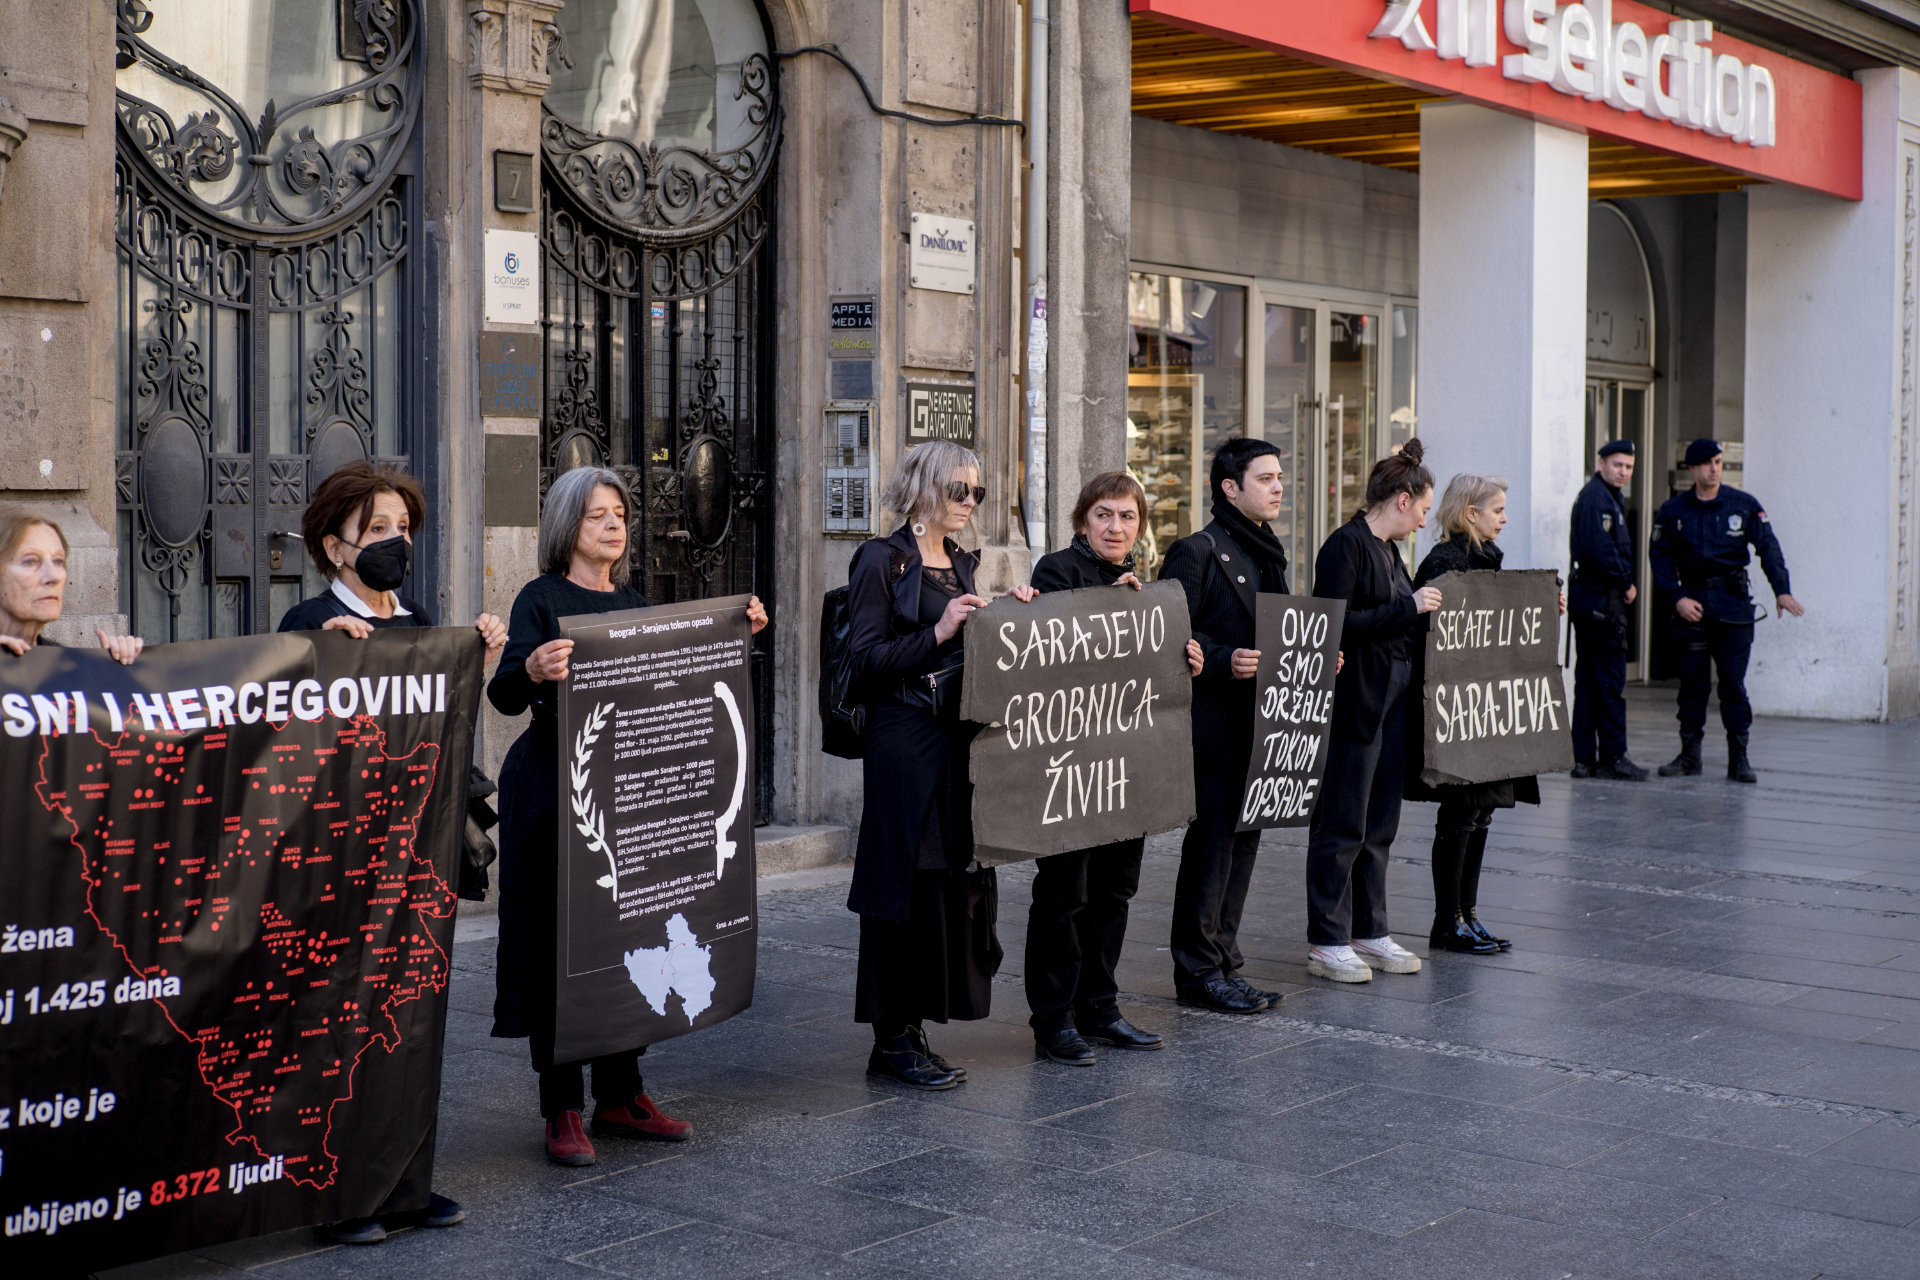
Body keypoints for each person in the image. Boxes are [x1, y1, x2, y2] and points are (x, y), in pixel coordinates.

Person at [489, 466, 768, 1163]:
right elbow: (502, 694)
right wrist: (532, 670)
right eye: (596, 516)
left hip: (632, 798)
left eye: (619, 513)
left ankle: (622, 1093)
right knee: (564, 947)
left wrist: (740, 629)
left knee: (631, 934)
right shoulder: (540, 599)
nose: (613, 525)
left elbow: (685, 682)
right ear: (566, 528)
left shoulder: (638, 601)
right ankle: (561, 1108)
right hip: (556, 793)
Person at [274, 461, 502, 1243]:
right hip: (337, 870)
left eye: (403, 529)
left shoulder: (419, 621)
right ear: (335, 547)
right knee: (337, 1028)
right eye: (377, 531)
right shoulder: (306, 622)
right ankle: (334, 1196)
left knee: (407, 1026)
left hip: (413, 866)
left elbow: (440, 741)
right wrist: (319, 660)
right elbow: (277, 746)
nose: (395, 544)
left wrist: (478, 662)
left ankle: (406, 1184)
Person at [846, 440, 1036, 1088]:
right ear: (923, 487)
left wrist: (1005, 615)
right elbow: (864, 659)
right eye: (959, 489)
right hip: (902, 737)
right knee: (900, 879)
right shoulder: (882, 559)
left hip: (952, 739)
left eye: (978, 491)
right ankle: (888, 1036)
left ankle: (913, 1028)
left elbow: (967, 646)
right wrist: (940, 631)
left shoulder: (959, 560)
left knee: (941, 882)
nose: (969, 502)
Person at [1022, 472, 1203, 1065]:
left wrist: (1184, 656)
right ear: (1083, 521)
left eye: (1127, 517)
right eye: (1104, 515)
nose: (1115, 527)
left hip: (1125, 769)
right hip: (1073, 769)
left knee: (1115, 890)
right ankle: (1054, 1017)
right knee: (1064, 891)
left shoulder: (1141, 589)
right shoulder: (1056, 571)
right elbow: (1051, 658)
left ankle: (1099, 1005)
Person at [1159, 438, 1293, 1014]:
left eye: (1280, 476)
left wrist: (1313, 652)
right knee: (1213, 850)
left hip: (1263, 726)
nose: (1278, 486)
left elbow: (1277, 631)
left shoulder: (1268, 551)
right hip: (1216, 728)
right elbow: (1169, 638)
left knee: (1243, 848)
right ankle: (1196, 971)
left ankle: (1224, 961)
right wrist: (1222, 659)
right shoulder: (1197, 550)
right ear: (1229, 488)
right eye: (1265, 478)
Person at [1305, 439, 1443, 983]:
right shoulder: (1346, 546)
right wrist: (1406, 608)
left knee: (1379, 823)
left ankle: (1369, 926)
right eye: (1424, 510)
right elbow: (1332, 623)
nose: (1424, 522)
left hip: (1390, 702)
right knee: (1342, 820)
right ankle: (1327, 937)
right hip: (1355, 703)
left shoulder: (1389, 551)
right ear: (1402, 499)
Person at [1408, 474, 1561, 955]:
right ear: (1470, 513)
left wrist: (1541, 607)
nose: (1504, 518)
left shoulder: (1484, 559)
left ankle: (1467, 914)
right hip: (1458, 714)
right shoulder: (1444, 562)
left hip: (1481, 712)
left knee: (1481, 812)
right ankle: (1446, 920)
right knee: (1460, 814)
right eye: (1497, 509)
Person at [1650, 439, 1802, 784]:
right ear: (1692, 468)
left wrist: (1782, 590)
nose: (1713, 468)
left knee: (1732, 684)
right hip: (1692, 604)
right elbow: (1659, 559)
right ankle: (1690, 755)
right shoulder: (1673, 510)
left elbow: (1768, 547)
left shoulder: (1743, 505)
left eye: (1718, 461)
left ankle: (1740, 758)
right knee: (1692, 685)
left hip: (1732, 604)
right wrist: (1676, 597)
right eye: (1706, 463)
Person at [1567, 441, 1649, 781]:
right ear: (1601, 463)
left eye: (1629, 467)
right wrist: (1627, 580)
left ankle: (1584, 758)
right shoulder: (1597, 498)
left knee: (1589, 682)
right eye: (1618, 465)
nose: (1624, 472)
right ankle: (1613, 756)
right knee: (1608, 682)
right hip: (1601, 603)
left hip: (1595, 601)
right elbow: (1599, 551)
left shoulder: (1605, 496)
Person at [0, 507, 143, 663]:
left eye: (58, 561)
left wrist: (119, 670)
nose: (54, 576)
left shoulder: (64, 665)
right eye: (30, 561)